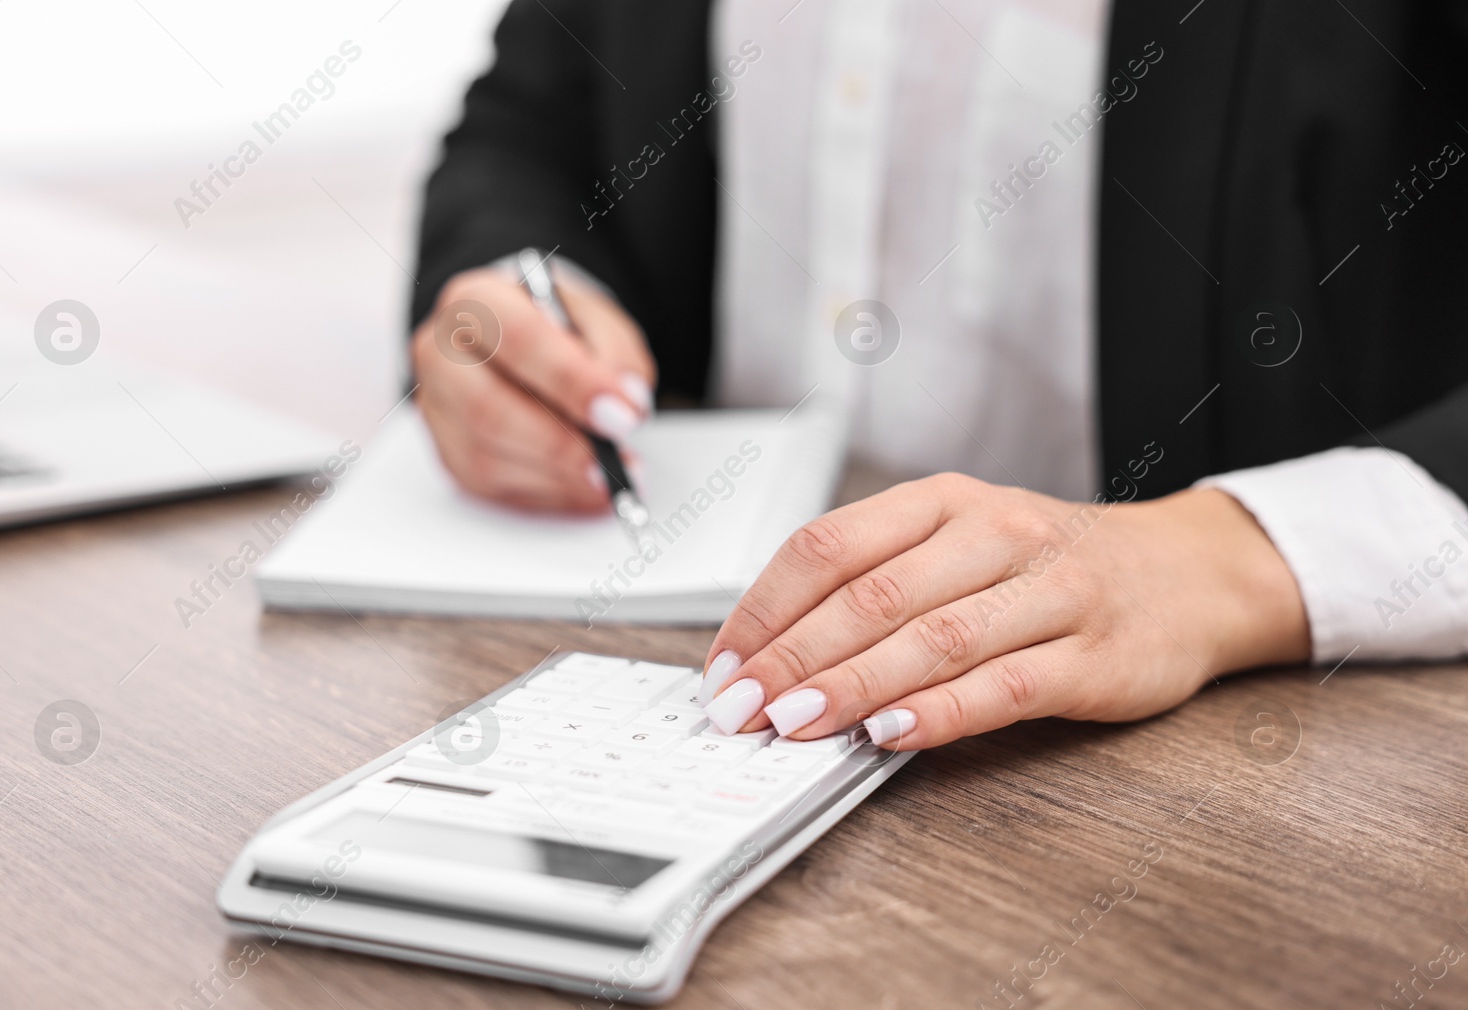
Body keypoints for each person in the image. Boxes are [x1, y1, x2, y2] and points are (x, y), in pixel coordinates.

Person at [407, 0, 1468, 750]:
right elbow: (524, 131)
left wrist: (1225, 560)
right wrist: (514, 290)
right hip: (682, 668)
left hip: (1237, 761)